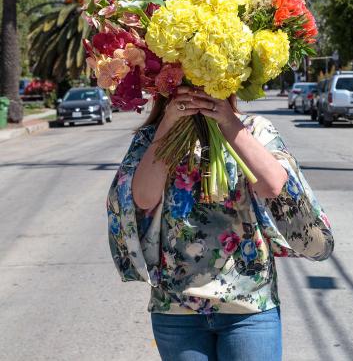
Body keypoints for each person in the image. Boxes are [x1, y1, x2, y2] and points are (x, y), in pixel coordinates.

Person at [107, 85, 333, 360]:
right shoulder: (151, 136)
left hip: (249, 305)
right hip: (177, 308)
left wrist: (227, 121)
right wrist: (168, 123)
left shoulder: (254, 128)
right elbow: (143, 198)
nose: (196, 89)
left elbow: (274, 186)